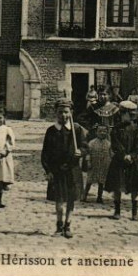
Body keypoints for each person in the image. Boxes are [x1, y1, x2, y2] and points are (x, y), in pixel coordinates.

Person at [41, 99, 88, 239]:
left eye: (66, 112)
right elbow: (45, 153)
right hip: (57, 171)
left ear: (71, 113)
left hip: (72, 170)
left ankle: (68, 225)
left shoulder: (77, 130)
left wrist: (81, 151)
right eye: (60, 112)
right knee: (59, 201)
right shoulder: (51, 131)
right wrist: (48, 170)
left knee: (71, 200)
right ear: (55, 113)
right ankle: (59, 225)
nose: (63, 115)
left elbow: (85, 147)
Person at [105, 105, 138, 221]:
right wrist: (123, 155)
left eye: (131, 114)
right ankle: (117, 210)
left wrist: (132, 155)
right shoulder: (116, 129)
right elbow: (115, 144)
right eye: (126, 114)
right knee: (117, 185)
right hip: (119, 160)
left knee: (134, 186)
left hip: (132, 161)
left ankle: (134, 211)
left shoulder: (136, 129)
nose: (129, 117)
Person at [84, 125, 112, 203]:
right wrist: (88, 162)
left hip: (104, 164)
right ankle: (84, 195)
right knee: (89, 180)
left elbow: (111, 154)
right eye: (100, 131)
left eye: (104, 131)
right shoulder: (92, 143)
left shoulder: (109, 144)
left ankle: (99, 197)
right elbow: (88, 153)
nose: (102, 133)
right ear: (96, 132)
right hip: (94, 164)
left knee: (101, 181)